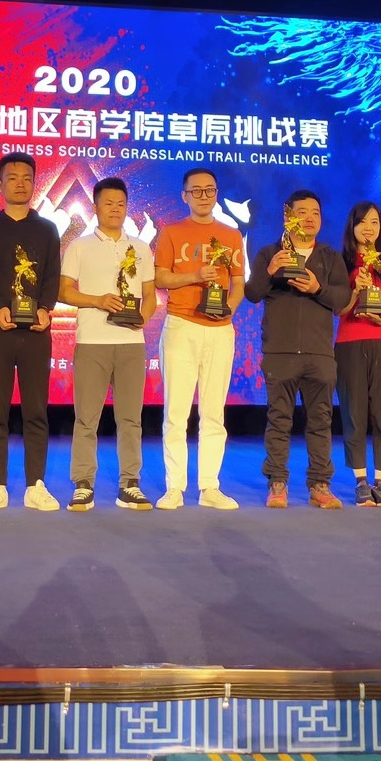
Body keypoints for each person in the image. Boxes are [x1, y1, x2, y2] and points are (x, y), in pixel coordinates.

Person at [244, 190, 351, 508]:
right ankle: (277, 483)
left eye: (315, 212)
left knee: (321, 421)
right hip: (280, 352)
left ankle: (320, 485)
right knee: (279, 420)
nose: (310, 218)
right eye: (302, 212)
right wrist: (270, 271)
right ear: (287, 217)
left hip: (320, 354)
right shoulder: (269, 253)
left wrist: (318, 288)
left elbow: (342, 299)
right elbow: (252, 293)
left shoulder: (330, 257)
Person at [0, 152, 62, 511]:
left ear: (35, 183)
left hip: (36, 331)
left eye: (27, 178)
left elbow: (51, 275)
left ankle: (36, 485)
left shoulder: (47, 229)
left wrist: (45, 308)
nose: (20, 184)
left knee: (36, 410)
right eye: (12, 178)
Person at [59, 177, 158, 511]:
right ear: (96, 207)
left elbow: (149, 295)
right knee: (86, 418)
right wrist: (98, 300)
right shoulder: (80, 246)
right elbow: (64, 291)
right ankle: (83, 483)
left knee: (131, 419)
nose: (115, 209)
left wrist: (143, 318)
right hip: (92, 342)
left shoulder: (141, 248)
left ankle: (130, 483)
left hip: (131, 343)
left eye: (121, 204)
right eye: (108, 203)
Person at [152, 167, 247, 510]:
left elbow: (238, 284)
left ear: (216, 194)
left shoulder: (231, 235)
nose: (203, 196)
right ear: (185, 196)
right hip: (181, 325)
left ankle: (209, 487)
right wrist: (195, 274)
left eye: (209, 190)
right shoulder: (171, 232)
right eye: (196, 190)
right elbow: (161, 278)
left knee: (213, 413)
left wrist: (228, 310)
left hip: (220, 330)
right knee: (176, 412)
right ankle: (174, 487)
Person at [335, 201, 381, 508]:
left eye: (375, 222)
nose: (369, 228)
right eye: (363, 222)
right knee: (354, 413)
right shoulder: (340, 262)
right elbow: (338, 309)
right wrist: (355, 290)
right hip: (350, 343)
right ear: (352, 226)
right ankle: (360, 480)